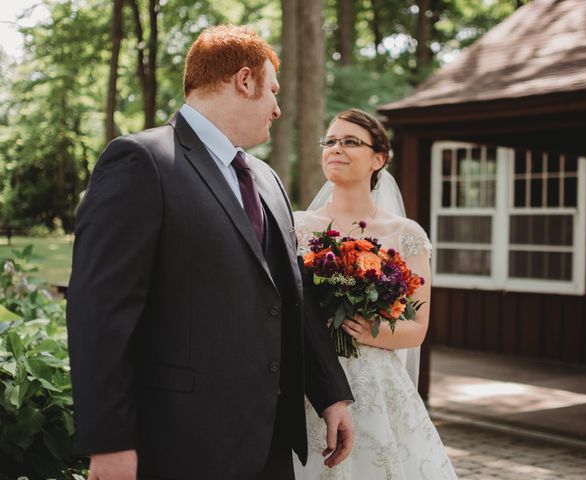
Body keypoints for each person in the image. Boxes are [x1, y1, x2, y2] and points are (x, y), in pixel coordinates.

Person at [66, 25, 354, 480]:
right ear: (244, 80)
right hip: (181, 443)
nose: (278, 108)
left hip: (269, 442)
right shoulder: (141, 161)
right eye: (272, 91)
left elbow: (290, 295)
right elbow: (100, 312)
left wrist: (331, 394)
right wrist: (109, 443)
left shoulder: (266, 179)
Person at [293, 109, 458, 479]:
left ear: (378, 159)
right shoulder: (298, 227)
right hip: (312, 385)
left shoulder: (405, 233)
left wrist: (368, 331)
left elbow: (417, 328)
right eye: (330, 141)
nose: (335, 149)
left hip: (377, 390)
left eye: (350, 142)